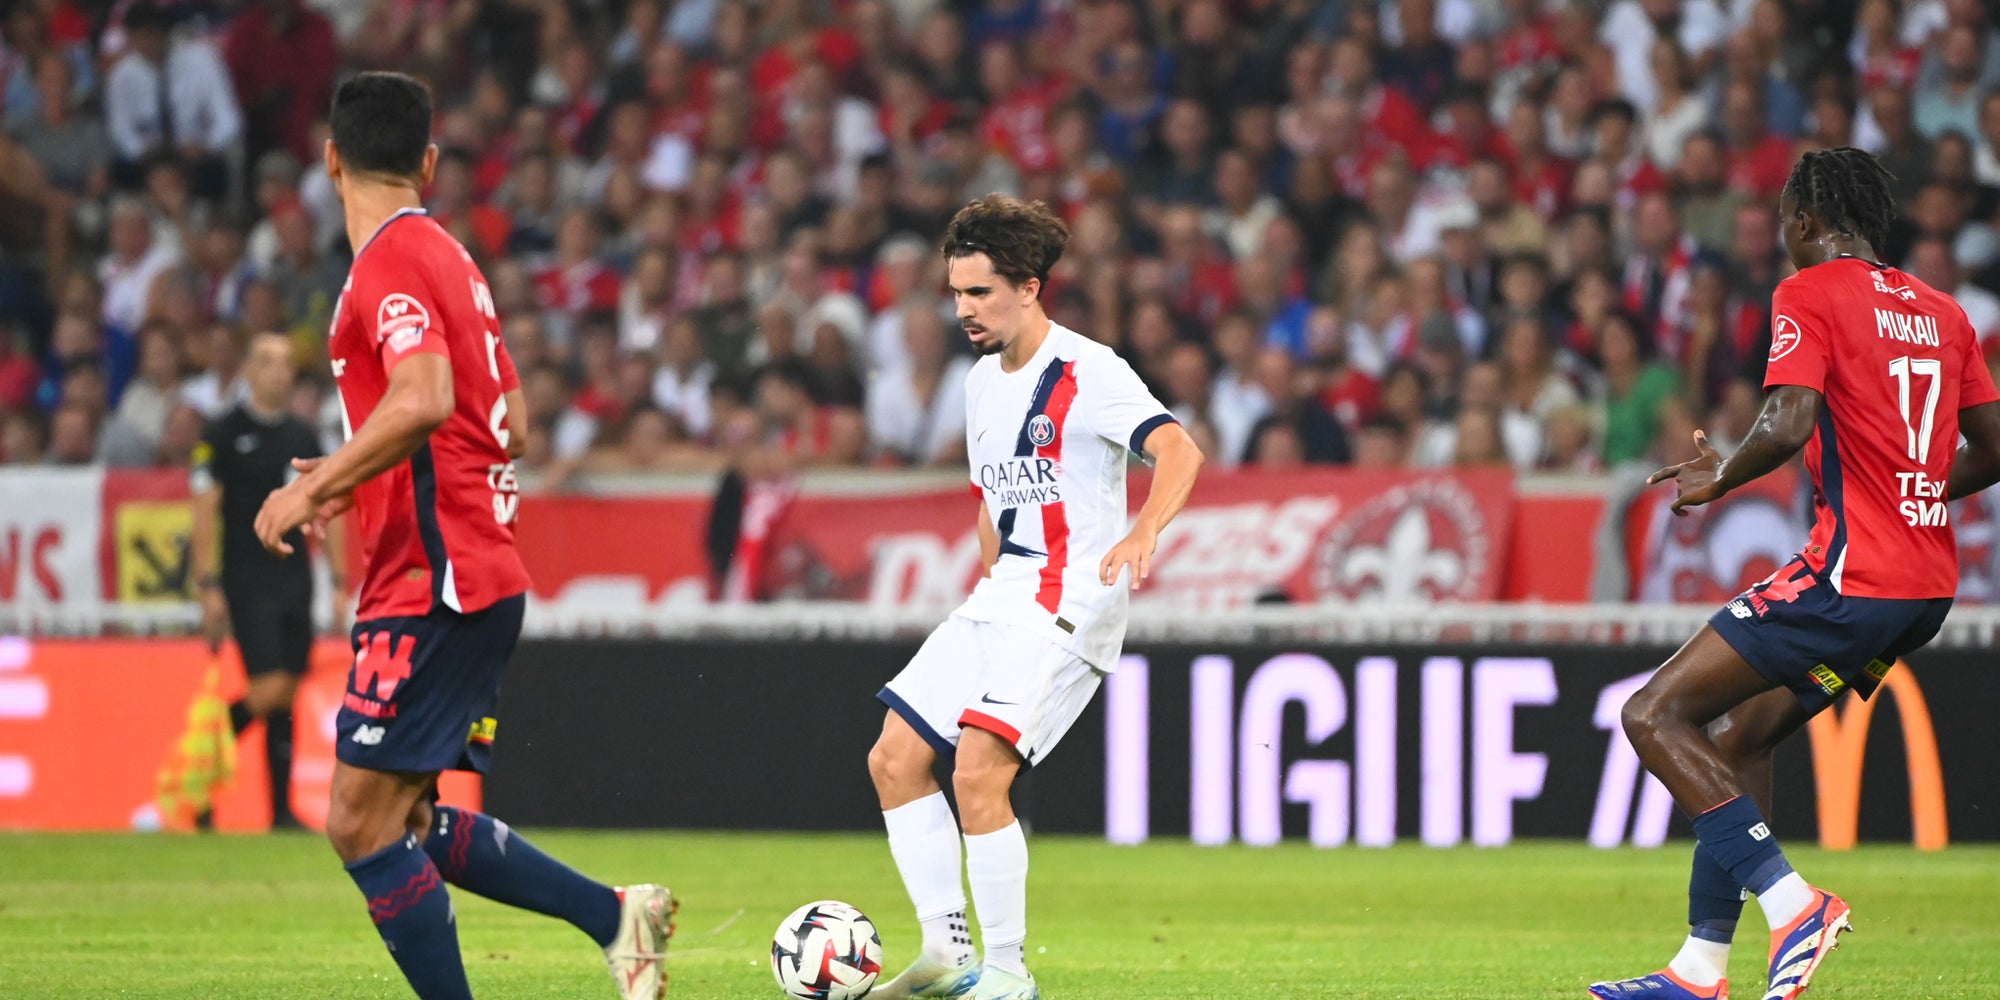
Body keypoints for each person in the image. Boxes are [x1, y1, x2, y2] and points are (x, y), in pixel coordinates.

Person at [251, 73, 671, 1000]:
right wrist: (359, 473)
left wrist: (323, 478)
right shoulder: (454, 259)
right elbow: (508, 419)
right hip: (470, 568)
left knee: (359, 824)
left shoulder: (389, 261)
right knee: (407, 818)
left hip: (434, 578)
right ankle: (615, 918)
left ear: (330, 162)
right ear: (429, 163)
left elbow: (428, 397)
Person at [1591, 146, 2000, 1000]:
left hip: (1850, 579)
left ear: (1809, 220)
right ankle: (1700, 968)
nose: (1783, 235)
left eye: (1784, 219)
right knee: (1741, 737)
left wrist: (1719, 475)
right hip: (1922, 588)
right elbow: (1995, 447)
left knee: (1653, 712)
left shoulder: (1808, 292)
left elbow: (1786, 420)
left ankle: (1793, 906)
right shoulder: (1942, 312)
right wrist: (1916, 488)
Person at [865, 195, 1205, 1000]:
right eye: (956, 294)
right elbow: (992, 502)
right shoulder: (982, 385)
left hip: (1071, 601)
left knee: (978, 772)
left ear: (1028, 286)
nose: (964, 311)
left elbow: (1179, 450)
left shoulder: (1091, 371)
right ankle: (948, 951)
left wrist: (1143, 530)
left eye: (979, 293)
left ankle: (1009, 974)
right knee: (894, 757)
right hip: (1003, 595)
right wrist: (987, 585)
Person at [190, 330, 346, 829]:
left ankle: (280, 811)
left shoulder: (303, 436)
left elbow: (332, 503)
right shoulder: (220, 433)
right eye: (268, 362)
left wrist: (341, 579)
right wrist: (207, 584)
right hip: (246, 576)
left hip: (295, 577)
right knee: (270, 687)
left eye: (285, 363)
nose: (279, 371)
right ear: (249, 371)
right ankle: (198, 775)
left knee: (290, 689)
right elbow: (204, 509)